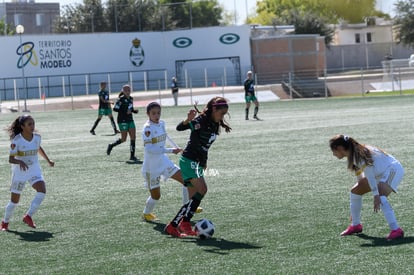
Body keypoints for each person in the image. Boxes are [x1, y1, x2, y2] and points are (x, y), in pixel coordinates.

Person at [164, 96, 231, 237]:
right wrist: (188, 120)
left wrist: (204, 163)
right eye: (222, 113)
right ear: (214, 109)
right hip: (189, 160)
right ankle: (185, 222)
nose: (223, 116)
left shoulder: (214, 123)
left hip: (197, 163)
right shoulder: (200, 121)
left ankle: (173, 226)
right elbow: (180, 128)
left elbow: (205, 147)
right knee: (203, 189)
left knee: (192, 200)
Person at [329, 134, 404, 241]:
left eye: (333, 151)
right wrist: (354, 209)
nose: (333, 154)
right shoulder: (353, 154)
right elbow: (361, 178)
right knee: (355, 191)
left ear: (340, 148)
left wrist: (376, 195)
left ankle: (396, 230)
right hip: (378, 173)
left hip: (393, 169)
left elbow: (370, 176)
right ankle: (356, 225)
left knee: (381, 196)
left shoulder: (359, 154)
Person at [141, 102, 201, 222]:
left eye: (158, 113)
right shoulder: (147, 128)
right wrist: (170, 150)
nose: (156, 115)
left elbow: (166, 137)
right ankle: (146, 213)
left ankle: (187, 207)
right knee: (156, 196)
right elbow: (149, 149)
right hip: (151, 167)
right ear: (148, 114)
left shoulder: (162, 123)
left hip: (163, 162)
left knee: (186, 180)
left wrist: (177, 148)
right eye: (153, 113)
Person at [1, 115, 55, 231]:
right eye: (29, 124)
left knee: (42, 190)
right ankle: (5, 223)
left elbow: (38, 148)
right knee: (14, 201)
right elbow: (11, 159)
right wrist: (19, 161)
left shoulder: (37, 137)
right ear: (22, 127)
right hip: (20, 172)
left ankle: (28, 216)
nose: (32, 126)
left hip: (34, 169)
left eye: (33, 124)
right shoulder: (17, 140)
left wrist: (48, 160)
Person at [107, 84, 140, 162]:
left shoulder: (131, 99)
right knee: (123, 139)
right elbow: (115, 109)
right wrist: (125, 111)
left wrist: (134, 111)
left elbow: (130, 109)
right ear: (123, 91)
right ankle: (111, 145)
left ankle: (132, 156)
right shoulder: (120, 100)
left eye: (129, 90)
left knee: (133, 137)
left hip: (130, 120)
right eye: (126, 90)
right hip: (122, 120)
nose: (128, 92)